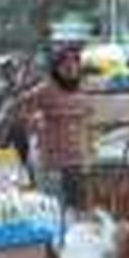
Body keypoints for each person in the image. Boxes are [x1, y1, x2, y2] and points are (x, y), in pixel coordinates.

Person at [17, 44, 92, 206]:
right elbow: (21, 107)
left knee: (78, 208)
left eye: (75, 63)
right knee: (55, 208)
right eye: (66, 63)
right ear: (57, 67)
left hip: (77, 162)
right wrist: (34, 121)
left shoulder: (83, 89)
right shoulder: (45, 89)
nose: (71, 67)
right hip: (53, 164)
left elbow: (88, 120)